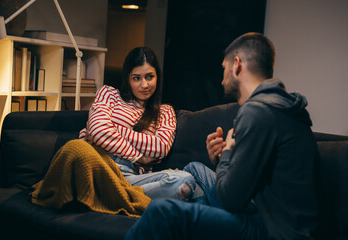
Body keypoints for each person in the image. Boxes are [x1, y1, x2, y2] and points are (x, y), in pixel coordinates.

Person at [125, 33, 319, 240]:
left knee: (161, 211)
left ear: (237, 65)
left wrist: (227, 153)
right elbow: (256, 176)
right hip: (275, 214)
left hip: (273, 230)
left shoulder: (257, 112)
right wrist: (219, 159)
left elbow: (230, 200)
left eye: (224, 68)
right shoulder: (281, 105)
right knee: (193, 168)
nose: (222, 78)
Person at [79, 47, 200, 201]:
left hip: (129, 176)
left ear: (157, 77)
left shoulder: (165, 112)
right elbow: (98, 129)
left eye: (149, 77)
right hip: (98, 165)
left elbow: (159, 148)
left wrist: (111, 130)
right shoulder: (109, 94)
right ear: (128, 78)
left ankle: (115, 194)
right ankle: (121, 195)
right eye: (137, 78)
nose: (144, 85)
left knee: (184, 179)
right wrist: (138, 157)